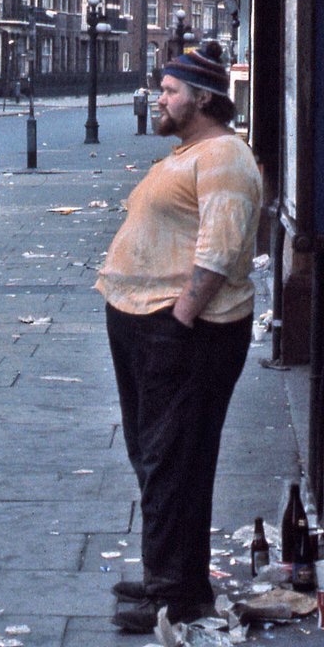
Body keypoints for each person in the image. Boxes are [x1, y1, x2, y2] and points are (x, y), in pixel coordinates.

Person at [95, 41, 262, 633]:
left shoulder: (221, 156)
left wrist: (180, 318)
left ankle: (172, 595)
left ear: (203, 99)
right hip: (148, 323)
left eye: (170, 91)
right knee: (160, 458)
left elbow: (220, 249)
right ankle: (177, 577)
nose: (159, 99)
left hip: (182, 332)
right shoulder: (193, 151)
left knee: (171, 460)